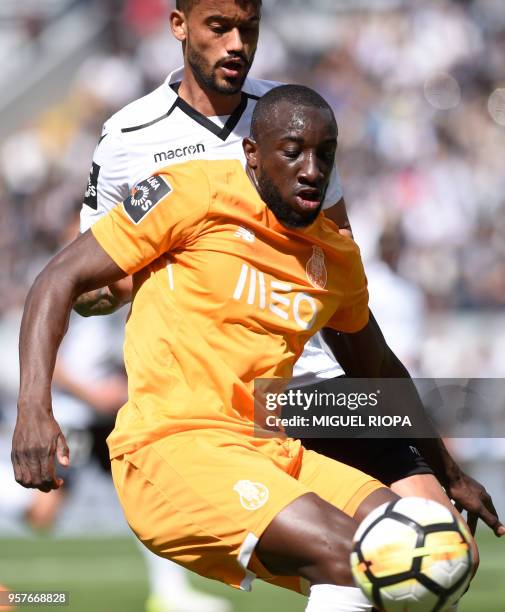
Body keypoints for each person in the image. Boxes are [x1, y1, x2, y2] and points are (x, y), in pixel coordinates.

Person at [11, 85, 501, 611]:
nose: (312, 169)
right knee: (379, 557)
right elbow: (57, 278)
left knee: (438, 554)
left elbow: (379, 368)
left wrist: (450, 473)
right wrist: (33, 409)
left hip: (274, 443)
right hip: (174, 445)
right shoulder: (189, 192)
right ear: (252, 153)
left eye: (325, 154)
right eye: (293, 152)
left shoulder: (334, 256)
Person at [74, 0, 502, 550]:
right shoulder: (128, 137)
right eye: (219, 27)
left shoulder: (293, 120)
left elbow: (336, 255)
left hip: (315, 382)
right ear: (179, 25)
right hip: (221, 399)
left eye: (247, 28)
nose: (235, 43)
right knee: (362, 559)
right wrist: (129, 280)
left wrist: (451, 468)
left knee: (441, 545)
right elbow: (94, 280)